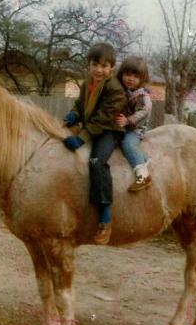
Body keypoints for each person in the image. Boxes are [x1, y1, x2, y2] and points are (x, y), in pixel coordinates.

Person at [62, 42, 127, 245]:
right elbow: (80, 105)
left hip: (109, 131)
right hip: (93, 126)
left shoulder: (114, 88)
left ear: (112, 68)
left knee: (97, 161)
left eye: (105, 66)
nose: (99, 70)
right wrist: (73, 116)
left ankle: (105, 216)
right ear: (89, 65)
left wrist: (82, 138)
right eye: (95, 65)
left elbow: (104, 118)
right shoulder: (87, 83)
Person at [115, 56, 153, 192]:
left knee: (128, 143)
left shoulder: (142, 96)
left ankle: (143, 175)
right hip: (125, 125)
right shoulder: (125, 91)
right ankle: (143, 157)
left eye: (136, 76)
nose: (131, 79)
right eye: (128, 74)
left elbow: (144, 112)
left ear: (142, 79)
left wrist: (128, 120)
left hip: (135, 129)